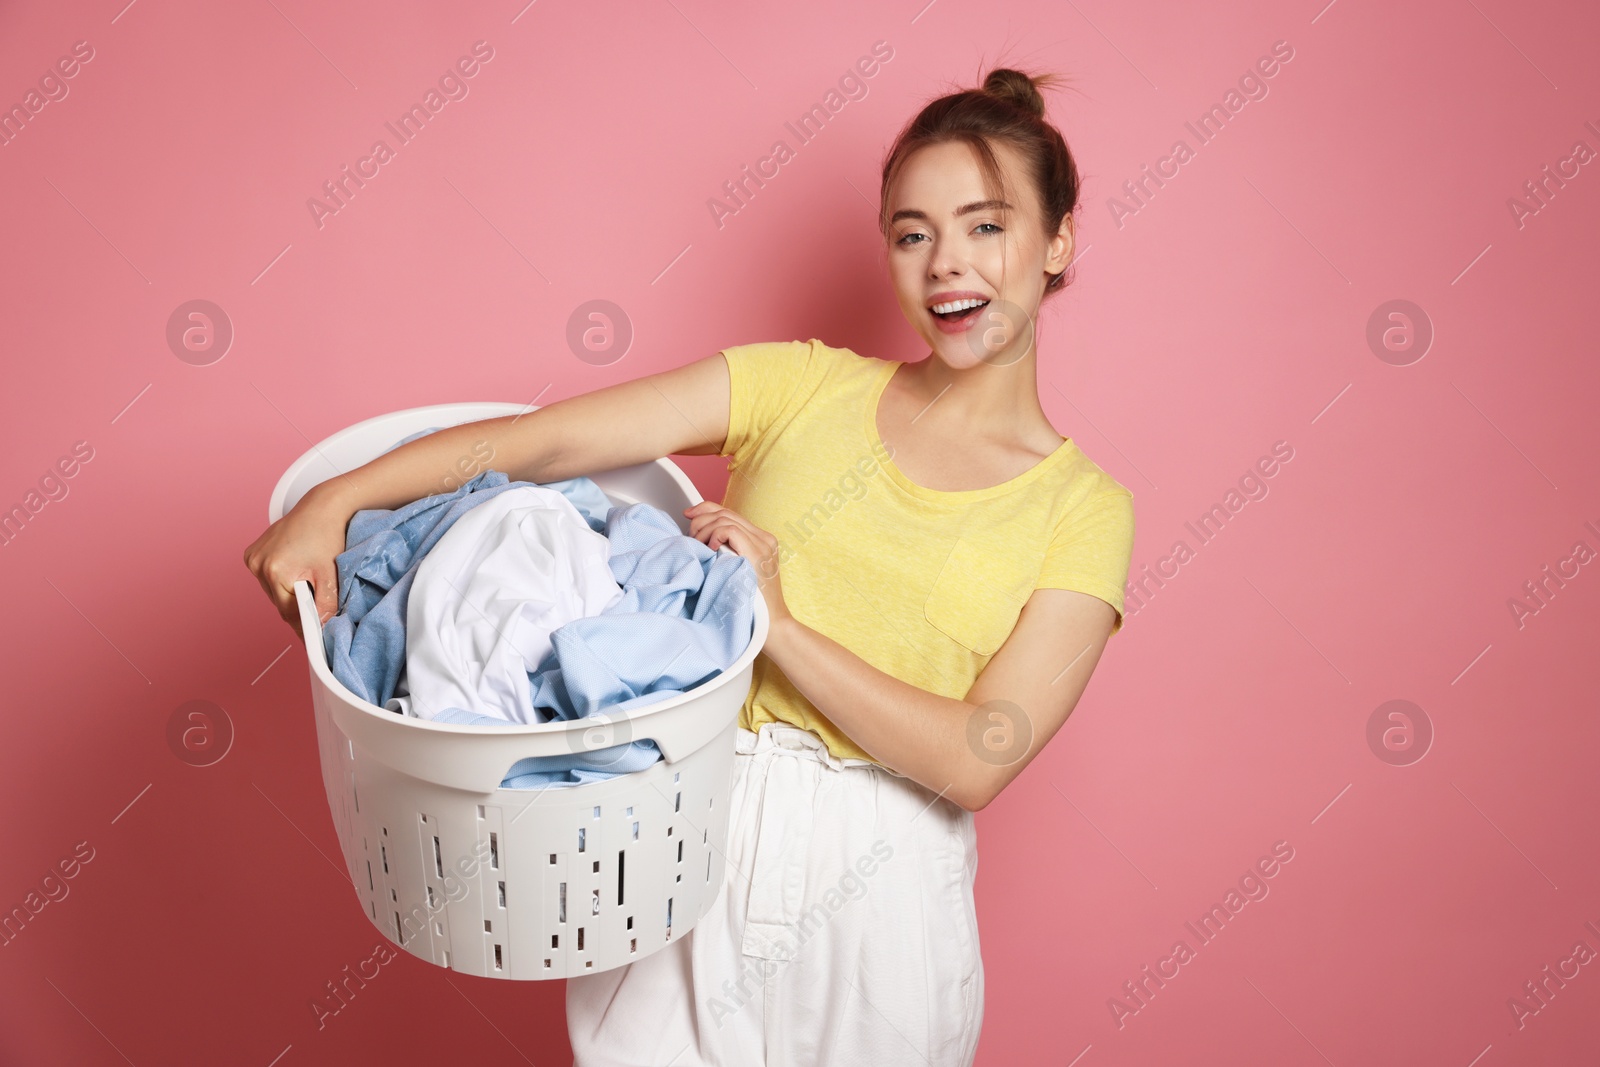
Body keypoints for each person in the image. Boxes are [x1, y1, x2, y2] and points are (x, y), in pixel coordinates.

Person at [244, 65, 1134, 1067]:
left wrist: (779, 624)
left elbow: (979, 756)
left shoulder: (1084, 509)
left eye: (986, 225)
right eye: (911, 232)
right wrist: (334, 499)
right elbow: (540, 443)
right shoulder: (797, 383)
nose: (945, 266)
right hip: (686, 826)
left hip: (887, 883)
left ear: (1056, 240)